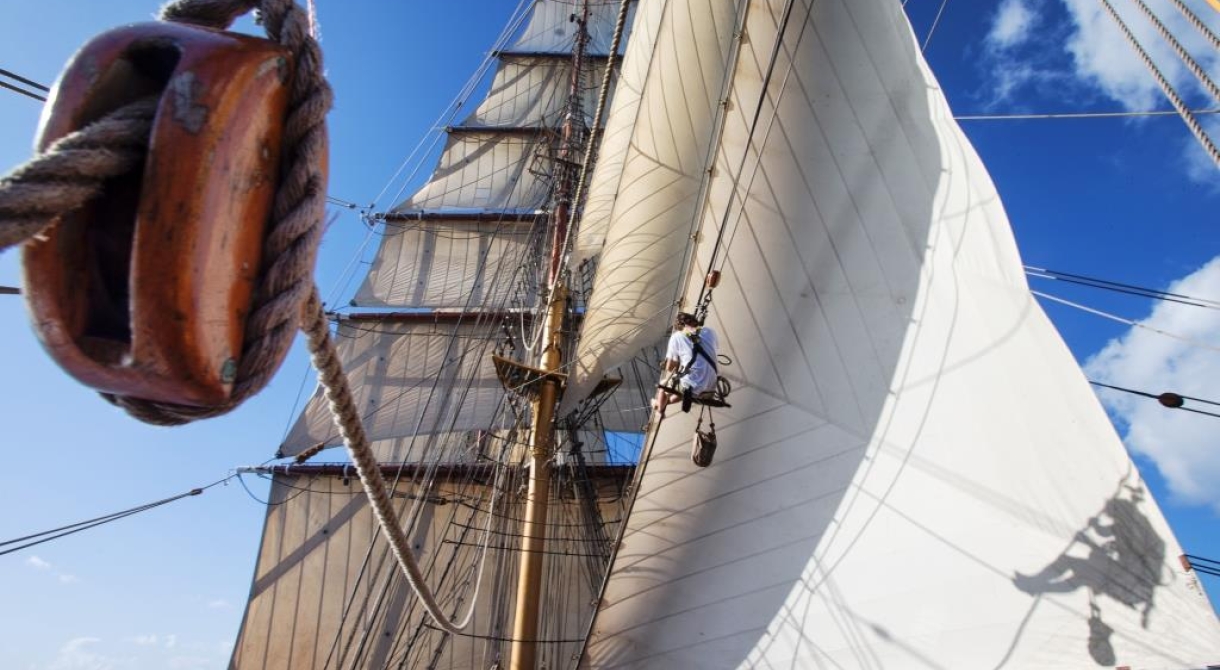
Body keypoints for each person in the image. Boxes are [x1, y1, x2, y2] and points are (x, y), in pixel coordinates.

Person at [652, 312, 719, 417]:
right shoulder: (710, 331)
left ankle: (659, 411)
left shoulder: (676, 337)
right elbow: (713, 350)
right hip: (712, 387)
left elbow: (670, 367)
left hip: (693, 387)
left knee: (664, 384)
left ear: (678, 326)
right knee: (684, 386)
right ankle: (665, 402)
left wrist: (675, 363)